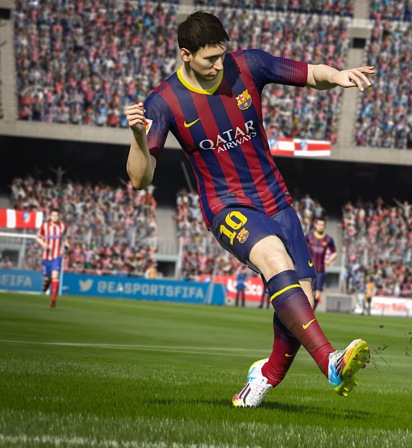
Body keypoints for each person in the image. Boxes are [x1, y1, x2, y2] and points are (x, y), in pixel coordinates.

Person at [124, 11, 374, 408]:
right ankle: (330, 361)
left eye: (221, 55)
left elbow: (310, 73)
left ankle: (264, 377)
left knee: (302, 304)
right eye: (209, 58)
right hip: (227, 206)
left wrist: (338, 75)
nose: (218, 65)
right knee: (275, 259)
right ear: (186, 54)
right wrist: (139, 137)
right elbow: (140, 178)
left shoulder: (248, 65)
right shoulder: (163, 102)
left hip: (276, 199)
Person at [36, 208, 68, 309]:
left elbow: (65, 238)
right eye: (53, 215)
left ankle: (53, 300)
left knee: (55, 277)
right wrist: (43, 244)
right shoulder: (44, 226)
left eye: (57, 215)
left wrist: (66, 245)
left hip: (57, 256)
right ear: (50, 216)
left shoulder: (63, 226)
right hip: (46, 256)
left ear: (59, 216)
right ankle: (47, 283)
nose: (55, 217)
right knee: (46, 278)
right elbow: (37, 237)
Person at [306, 216, 337, 311]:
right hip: (309, 269)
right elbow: (302, 247)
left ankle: (312, 312)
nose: (320, 226)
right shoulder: (309, 236)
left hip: (320, 270)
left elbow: (334, 252)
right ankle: (307, 312)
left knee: (317, 294)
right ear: (315, 225)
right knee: (309, 293)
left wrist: (329, 260)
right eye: (318, 224)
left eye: (322, 225)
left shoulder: (328, 239)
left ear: (325, 226)